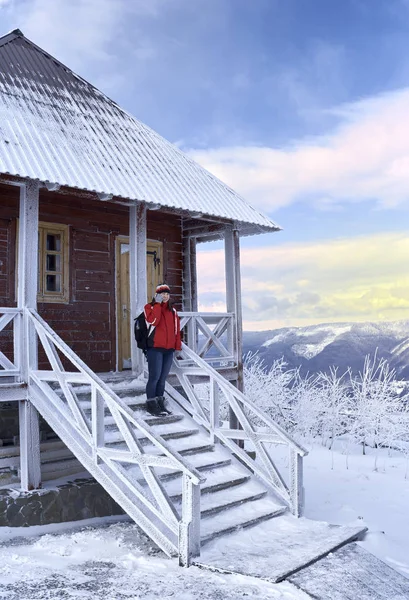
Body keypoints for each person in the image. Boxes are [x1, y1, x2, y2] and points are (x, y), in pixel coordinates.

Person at [143, 283, 182, 416]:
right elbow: (154, 321)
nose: (165, 296)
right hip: (155, 348)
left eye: (166, 293)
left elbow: (177, 331)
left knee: (162, 378)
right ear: (157, 295)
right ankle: (151, 404)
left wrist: (177, 347)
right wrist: (157, 305)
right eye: (162, 294)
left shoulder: (173, 311)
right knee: (154, 377)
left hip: (169, 350)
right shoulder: (149, 307)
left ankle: (160, 403)